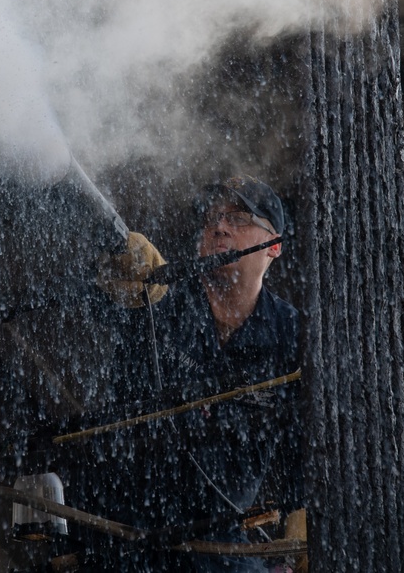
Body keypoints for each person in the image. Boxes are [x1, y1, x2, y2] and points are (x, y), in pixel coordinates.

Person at [95, 175, 305, 573]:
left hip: (220, 535)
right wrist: (115, 276)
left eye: (239, 218)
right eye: (213, 219)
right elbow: (110, 349)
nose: (219, 226)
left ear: (273, 245)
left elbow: (305, 439)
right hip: (126, 524)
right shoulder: (162, 296)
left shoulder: (291, 336)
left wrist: (302, 513)